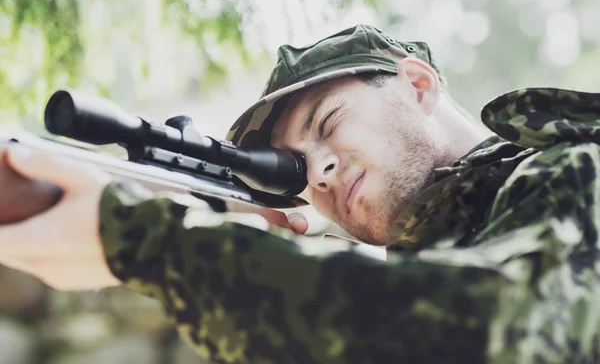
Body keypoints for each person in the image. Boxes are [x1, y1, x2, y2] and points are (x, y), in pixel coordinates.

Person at [1, 24, 599, 363]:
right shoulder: (431, 258)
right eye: (295, 168)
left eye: (331, 122)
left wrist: (153, 247)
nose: (319, 173)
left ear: (417, 85)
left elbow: (507, 334)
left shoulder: (573, 166)